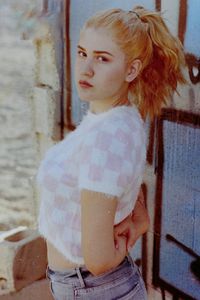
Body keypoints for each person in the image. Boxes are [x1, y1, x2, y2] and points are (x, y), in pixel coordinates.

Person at [37, 5, 186, 300]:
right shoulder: (118, 121)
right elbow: (124, 183)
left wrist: (132, 229)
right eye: (82, 53)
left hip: (95, 288)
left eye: (102, 59)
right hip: (93, 286)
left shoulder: (108, 137)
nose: (86, 68)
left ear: (132, 69)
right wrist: (137, 220)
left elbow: (100, 260)